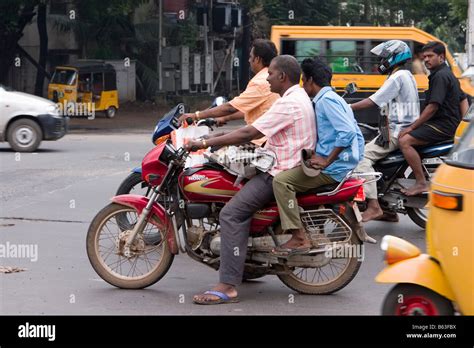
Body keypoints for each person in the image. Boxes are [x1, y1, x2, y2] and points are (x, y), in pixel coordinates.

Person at [184, 55, 316, 304]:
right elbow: (256, 131)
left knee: (231, 214)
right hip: (282, 160)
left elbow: (250, 131)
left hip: (280, 168)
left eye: (271, 73)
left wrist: (203, 143)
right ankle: (243, 263)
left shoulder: (287, 103)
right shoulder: (294, 97)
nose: (266, 77)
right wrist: (227, 137)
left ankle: (227, 285)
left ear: (282, 77)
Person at [271, 57, 365, 255]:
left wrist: (326, 160)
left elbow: (347, 133)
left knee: (281, 182)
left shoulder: (326, 101)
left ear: (310, 80)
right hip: (340, 164)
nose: (303, 86)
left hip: (334, 168)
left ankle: (298, 237)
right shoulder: (330, 98)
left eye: (303, 81)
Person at [351, 40, 420, 222]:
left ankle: (374, 207)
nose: (380, 62)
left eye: (383, 58)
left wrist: (346, 107)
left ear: (393, 57)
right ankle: (388, 209)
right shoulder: (406, 75)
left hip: (397, 132)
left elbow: (373, 101)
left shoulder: (397, 77)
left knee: (361, 158)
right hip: (402, 128)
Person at [179, 39, 280, 146]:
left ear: (258, 59)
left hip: (260, 142)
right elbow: (246, 108)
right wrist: (225, 118)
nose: (248, 60)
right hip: (262, 137)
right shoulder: (269, 77)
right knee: (218, 137)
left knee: (213, 151)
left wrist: (196, 115)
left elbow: (230, 108)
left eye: (250, 57)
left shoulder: (260, 82)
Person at [399, 41, 468, 196]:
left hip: (442, 125)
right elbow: (463, 99)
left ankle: (421, 182)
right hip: (448, 125)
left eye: (430, 56)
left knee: (404, 141)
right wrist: (462, 126)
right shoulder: (447, 74)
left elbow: (432, 107)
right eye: (424, 57)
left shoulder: (440, 76)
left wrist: (411, 127)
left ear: (441, 57)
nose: (426, 60)